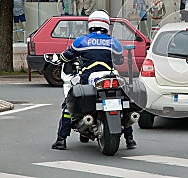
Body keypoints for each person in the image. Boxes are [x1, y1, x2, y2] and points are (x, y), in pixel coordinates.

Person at [51, 10, 137, 150]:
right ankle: (130, 139)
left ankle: (61, 139)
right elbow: (120, 60)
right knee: (122, 103)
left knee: (68, 105)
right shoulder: (113, 42)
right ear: (106, 25)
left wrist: (60, 59)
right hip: (110, 76)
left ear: (91, 24)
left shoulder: (82, 41)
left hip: (88, 78)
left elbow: (66, 57)